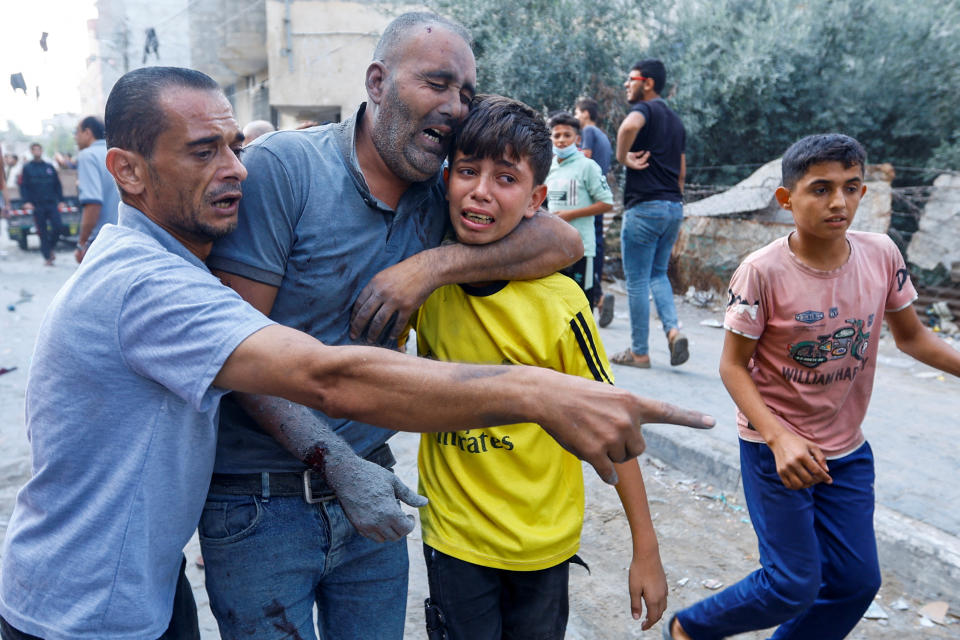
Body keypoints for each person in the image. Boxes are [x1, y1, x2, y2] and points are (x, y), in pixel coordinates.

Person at [0, 65, 713, 640]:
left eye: (234, 147)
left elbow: (554, 237)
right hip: (78, 612)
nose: (237, 170)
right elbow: (326, 375)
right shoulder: (143, 284)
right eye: (202, 151)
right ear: (125, 171)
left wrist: (430, 266)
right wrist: (536, 391)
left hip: (147, 592)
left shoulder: (177, 264)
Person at [200, 12, 621, 640]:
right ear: (377, 81)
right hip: (261, 503)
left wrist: (429, 265)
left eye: (466, 94)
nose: (455, 108)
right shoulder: (286, 169)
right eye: (437, 84)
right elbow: (234, 351)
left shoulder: (438, 195)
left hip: (374, 491)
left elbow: (560, 241)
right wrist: (336, 463)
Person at [664, 134, 960, 640]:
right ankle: (688, 629)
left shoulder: (882, 255)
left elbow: (914, 338)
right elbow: (733, 366)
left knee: (855, 582)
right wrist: (779, 439)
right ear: (787, 199)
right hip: (774, 448)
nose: (838, 202)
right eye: (821, 188)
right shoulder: (761, 271)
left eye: (850, 187)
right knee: (791, 585)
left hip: (846, 451)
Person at [410, 94, 673, 640]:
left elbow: (613, 425)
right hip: (454, 536)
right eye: (467, 171)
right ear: (445, 180)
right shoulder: (423, 286)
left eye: (505, 178)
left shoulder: (562, 304)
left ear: (536, 200)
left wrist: (645, 551)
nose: (481, 190)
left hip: (542, 543)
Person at [613, 59, 688, 369]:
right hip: (673, 207)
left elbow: (628, 127)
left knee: (636, 281)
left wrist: (623, 158)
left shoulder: (645, 110)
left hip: (645, 206)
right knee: (658, 274)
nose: (626, 85)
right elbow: (681, 171)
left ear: (648, 83)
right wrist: (674, 201)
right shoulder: (677, 122)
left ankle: (640, 352)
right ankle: (673, 331)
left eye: (631, 79)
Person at [545, 111, 613, 304]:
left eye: (567, 135)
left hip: (581, 249)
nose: (561, 140)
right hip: (553, 248)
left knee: (580, 304)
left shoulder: (588, 166)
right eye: (556, 135)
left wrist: (570, 214)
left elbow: (607, 202)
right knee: (556, 305)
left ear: (578, 139)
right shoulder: (548, 168)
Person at [575, 96, 616, 325]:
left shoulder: (589, 132)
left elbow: (585, 156)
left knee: (587, 245)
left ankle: (596, 294)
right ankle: (599, 296)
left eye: (577, 112)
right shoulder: (603, 135)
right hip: (600, 190)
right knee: (596, 241)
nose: (576, 116)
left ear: (586, 113)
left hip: (588, 193)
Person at [74, 115, 121, 262]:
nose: (75, 138)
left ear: (87, 133)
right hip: (124, 237)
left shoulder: (88, 156)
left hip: (101, 242)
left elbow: (93, 203)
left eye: (77, 133)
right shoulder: (116, 152)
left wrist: (82, 243)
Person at [19, 142, 64, 266]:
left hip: (51, 203)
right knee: (42, 231)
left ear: (42, 151)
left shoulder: (49, 167)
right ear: (31, 151)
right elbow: (24, 186)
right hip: (37, 205)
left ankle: (50, 248)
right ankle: (47, 257)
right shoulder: (27, 168)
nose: (37, 152)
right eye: (34, 150)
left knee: (58, 227)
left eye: (39, 149)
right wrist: (26, 202)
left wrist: (61, 201)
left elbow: (57, 185)